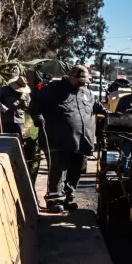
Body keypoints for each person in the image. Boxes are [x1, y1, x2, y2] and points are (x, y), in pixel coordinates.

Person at [30, 65, 96, 213]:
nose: (83, 84)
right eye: (80, 80)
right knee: (58, 168)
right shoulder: (52, 90)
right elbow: (35, 105)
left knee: (77, 168)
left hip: (81, 140)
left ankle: (68, 197)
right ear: (71, 77)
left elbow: (95, 107)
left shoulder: (87, 93)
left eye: (85, 81)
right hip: (57, 138)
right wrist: (37, 117)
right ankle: (54, 200)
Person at [0, 75, 31, 139]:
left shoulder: (25, 93)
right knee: (4, 138)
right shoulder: (5, 90)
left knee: (18, 138)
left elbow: (28, 104)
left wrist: (25, 104)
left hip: (19, 119)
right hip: (6, 119)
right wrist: (1, 106)